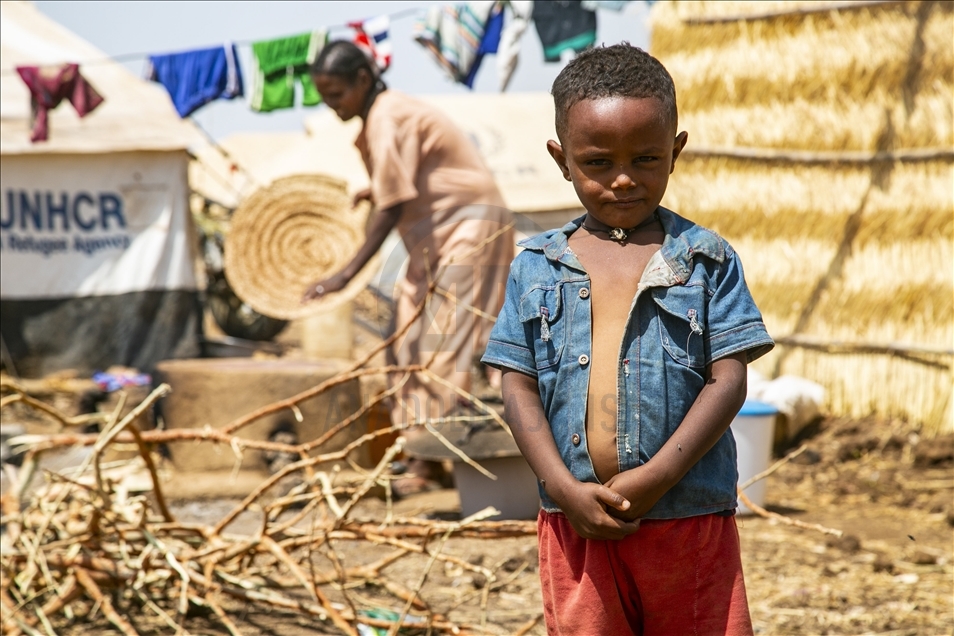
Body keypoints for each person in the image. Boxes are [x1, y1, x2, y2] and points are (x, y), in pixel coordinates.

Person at [481, 43, 774, 635]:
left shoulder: (704, 260)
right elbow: (516, 385)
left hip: (687, 519)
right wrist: (564, 489)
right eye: (596, 162)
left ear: (677, 151)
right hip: (575, 524)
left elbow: (729, 379)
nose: (622, 179)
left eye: (645, 158)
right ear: (561, 159)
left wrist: (656, 477)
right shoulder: (535, 265)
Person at [302, 41, 515, 495]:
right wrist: (370, 193)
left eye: (336, 94)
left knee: (440, 340)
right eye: (325, 98)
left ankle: (424, 460)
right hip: (432, 240)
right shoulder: (379, 117)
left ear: (363, 80)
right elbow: (398, 184)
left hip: (470, 228)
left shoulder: (388, 116)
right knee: (402, 339)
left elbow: (394, 200)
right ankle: (418, 447)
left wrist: (345, 273)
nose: (332, 106)